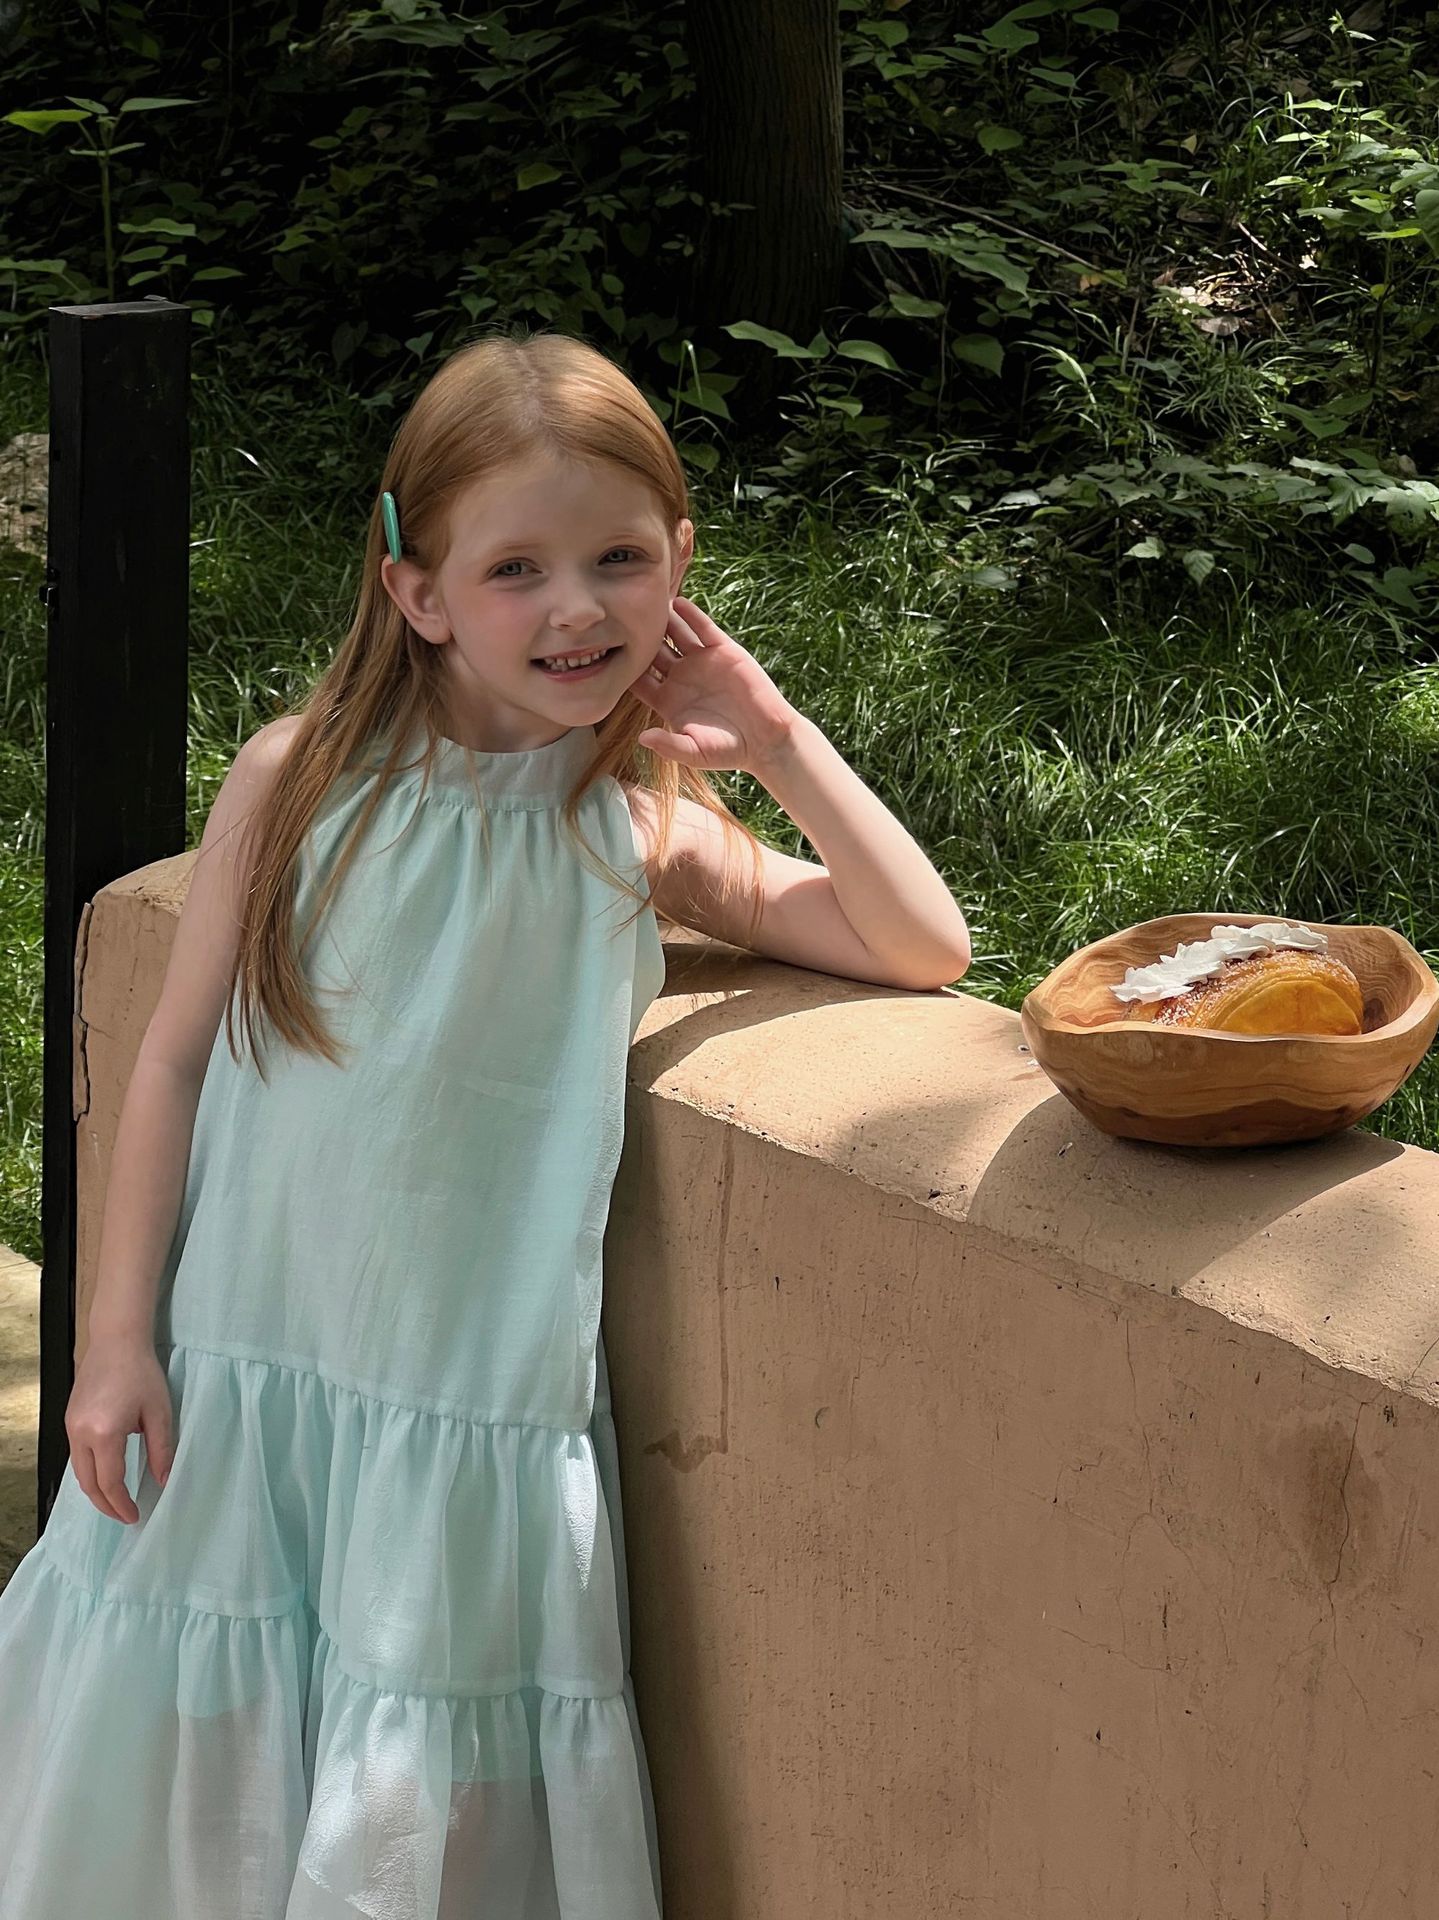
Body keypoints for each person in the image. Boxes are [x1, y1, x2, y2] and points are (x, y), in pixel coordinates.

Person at [0, 327, 972, 1918]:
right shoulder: (297, 785)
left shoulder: (633, 829)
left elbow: (923, 944)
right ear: (418, 591)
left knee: (411, 1820)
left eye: (619, 559)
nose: (576, 606)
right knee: (204, 1783)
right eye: (515, 568)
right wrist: (117, 1343)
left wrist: (774, 735)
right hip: (249, 1368)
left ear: (681, 568)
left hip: (468, 1401)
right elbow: (170, 1065)